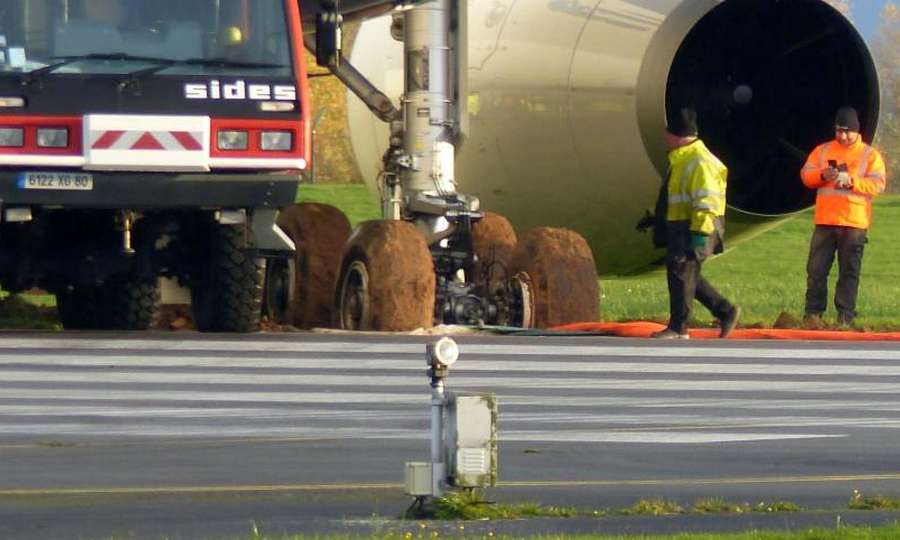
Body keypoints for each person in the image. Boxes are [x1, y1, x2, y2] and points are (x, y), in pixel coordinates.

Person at [648, 107, 741, 339]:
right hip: (683, 225)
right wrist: (655, 218)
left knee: (680, 272)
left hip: (697, 226)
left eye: (668, 134)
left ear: (678, 136)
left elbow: (706, 202)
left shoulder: (699, 162)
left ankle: (679, 329)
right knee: (686, 273)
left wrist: (700, 232)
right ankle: (726, 311)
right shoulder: (683, 159)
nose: (664, 138)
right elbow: (676, 197)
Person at [800, 106, 887, 326]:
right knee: (816, 270)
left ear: (857, 131)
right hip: (825, 221)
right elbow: (806, 175)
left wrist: (852, 182)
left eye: (847, 131)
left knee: (849, 272)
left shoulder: (870, 155)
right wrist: (822, 175)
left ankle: (845, 316)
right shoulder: (822, 150)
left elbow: (878, 185)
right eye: (839, 131)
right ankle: (813, 315)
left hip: (854, 223)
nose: (843, 136)